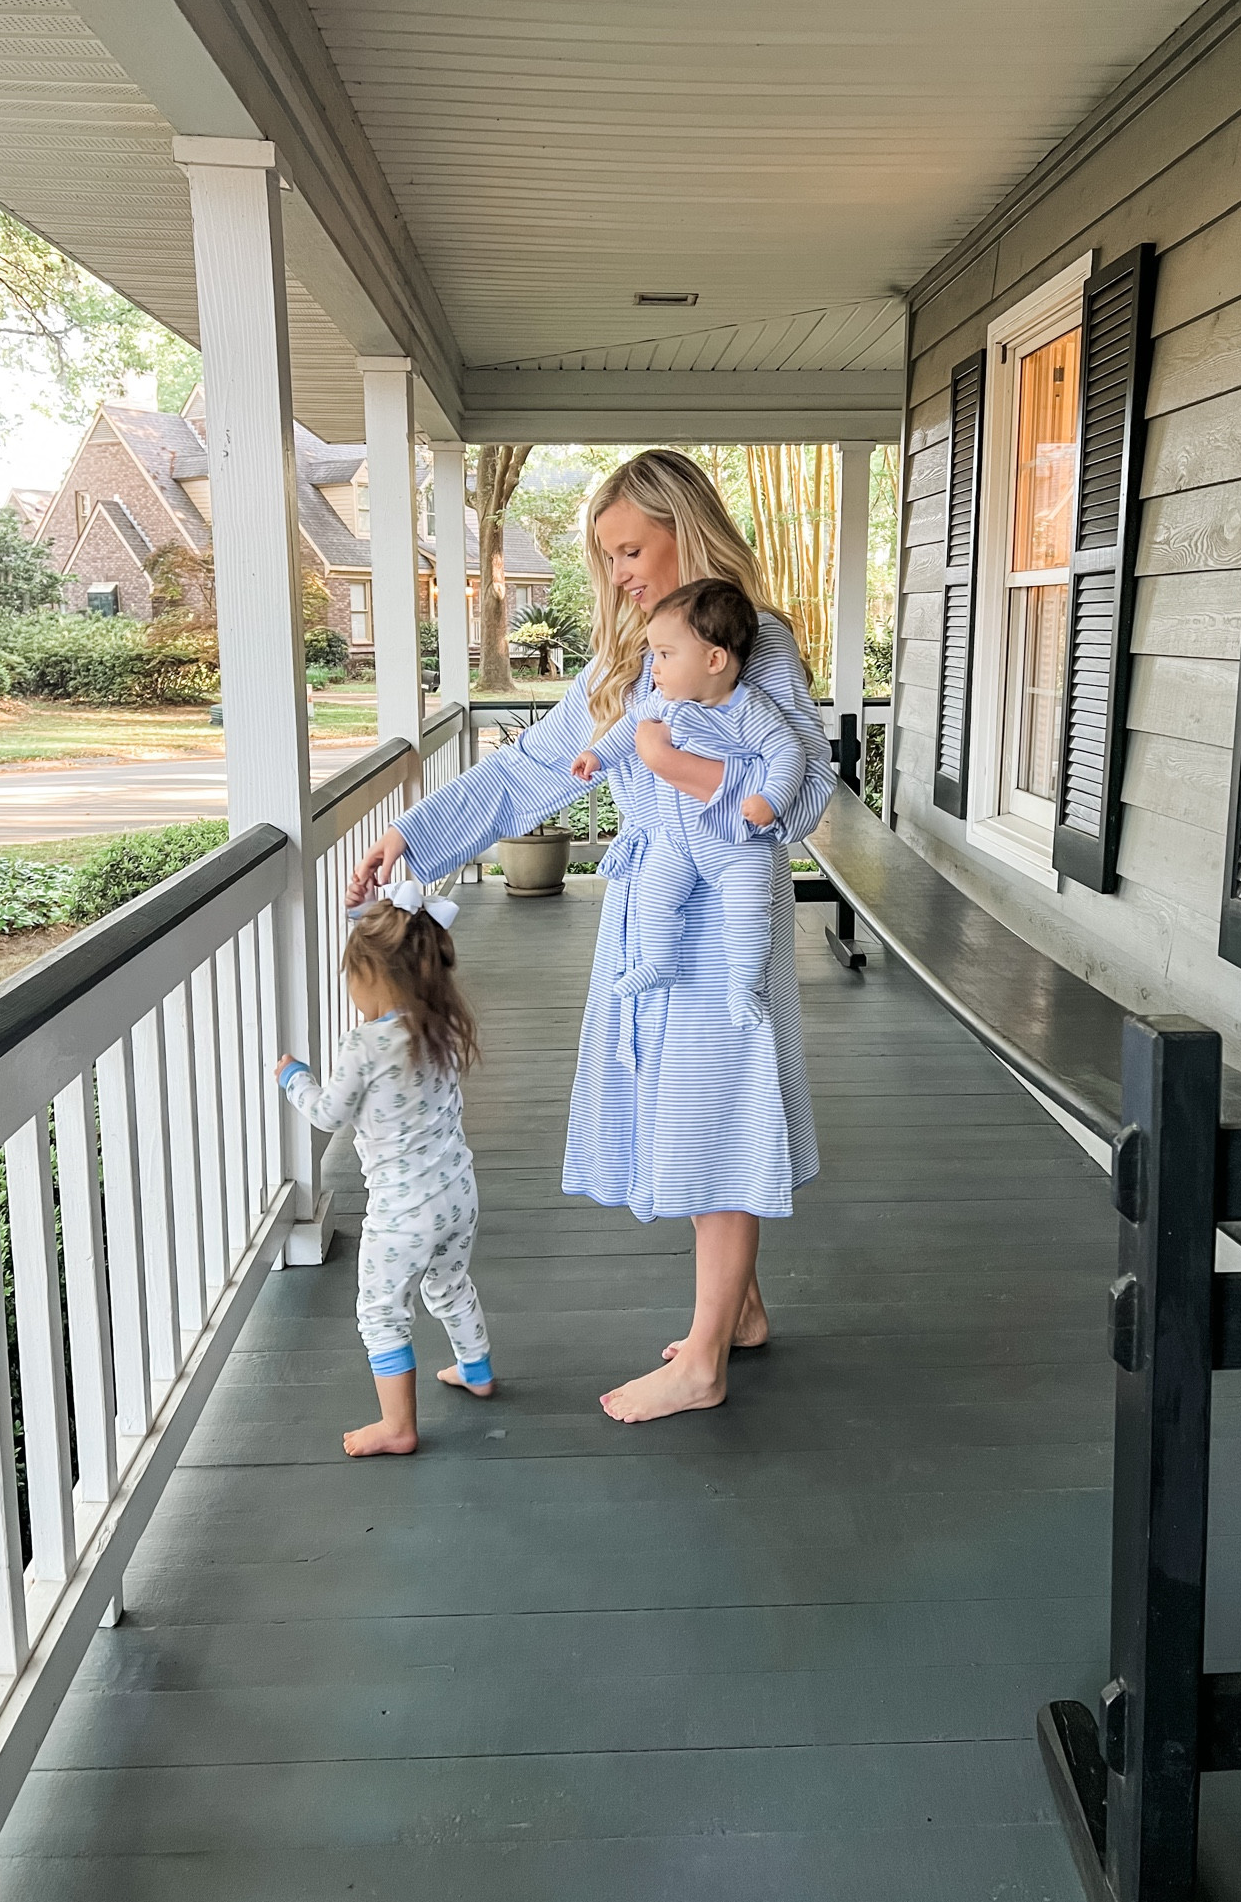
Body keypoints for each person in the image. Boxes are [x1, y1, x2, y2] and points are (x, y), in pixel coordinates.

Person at [347, 449, 834, 1424]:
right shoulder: (628, 661)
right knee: (691, 1103)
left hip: (725, 907)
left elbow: (805, 784)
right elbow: (528, 771)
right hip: (649, 910)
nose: (617, 573)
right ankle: (735, 1310)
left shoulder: (755, 641)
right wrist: (415, 833)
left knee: (719, 1106)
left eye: (629, 549)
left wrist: (688, 780)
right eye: (607, 557)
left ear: (683, 529)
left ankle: (702, 1361)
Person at [274, 878, 490, 1457]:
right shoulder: (438, 1024)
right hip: (457, 1193)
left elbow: (327, 1115)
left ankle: (397, 1427)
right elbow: (392, 943)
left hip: (402, 1212)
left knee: (381, 1313)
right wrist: (365, 913)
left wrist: (293, 1077)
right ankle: (476, 1368)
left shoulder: (362, 1047)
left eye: (351, 974)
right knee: (449, 1285)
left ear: (368, 979)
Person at [569, 578, 806, 1030]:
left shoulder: (748, 709)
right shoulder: (661, 700)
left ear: (714, 659)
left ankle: (744, 985)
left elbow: (788, 752)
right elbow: (627, 729)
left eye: (664, 654)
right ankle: (659, 962)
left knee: (749, 912)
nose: (653, 666)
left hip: (737, 845)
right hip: (677, 838)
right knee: (654, 898)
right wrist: (598, 753)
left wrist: (770, 799)